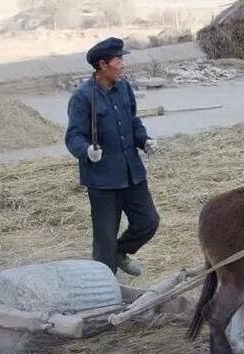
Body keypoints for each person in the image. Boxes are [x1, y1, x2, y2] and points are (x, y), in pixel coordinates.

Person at [65, 37, 159, 276]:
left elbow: (133, 120)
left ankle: (120, 251)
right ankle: (106, 289)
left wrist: (144, 140)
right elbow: (73, 136)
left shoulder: (124, 88)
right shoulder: (83, 97)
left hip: (132, 173)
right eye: (119, 60)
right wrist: (86, 151)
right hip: (102, 181)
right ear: (103, 65)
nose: (123, 65)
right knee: (104, 239)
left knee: (148, 222)